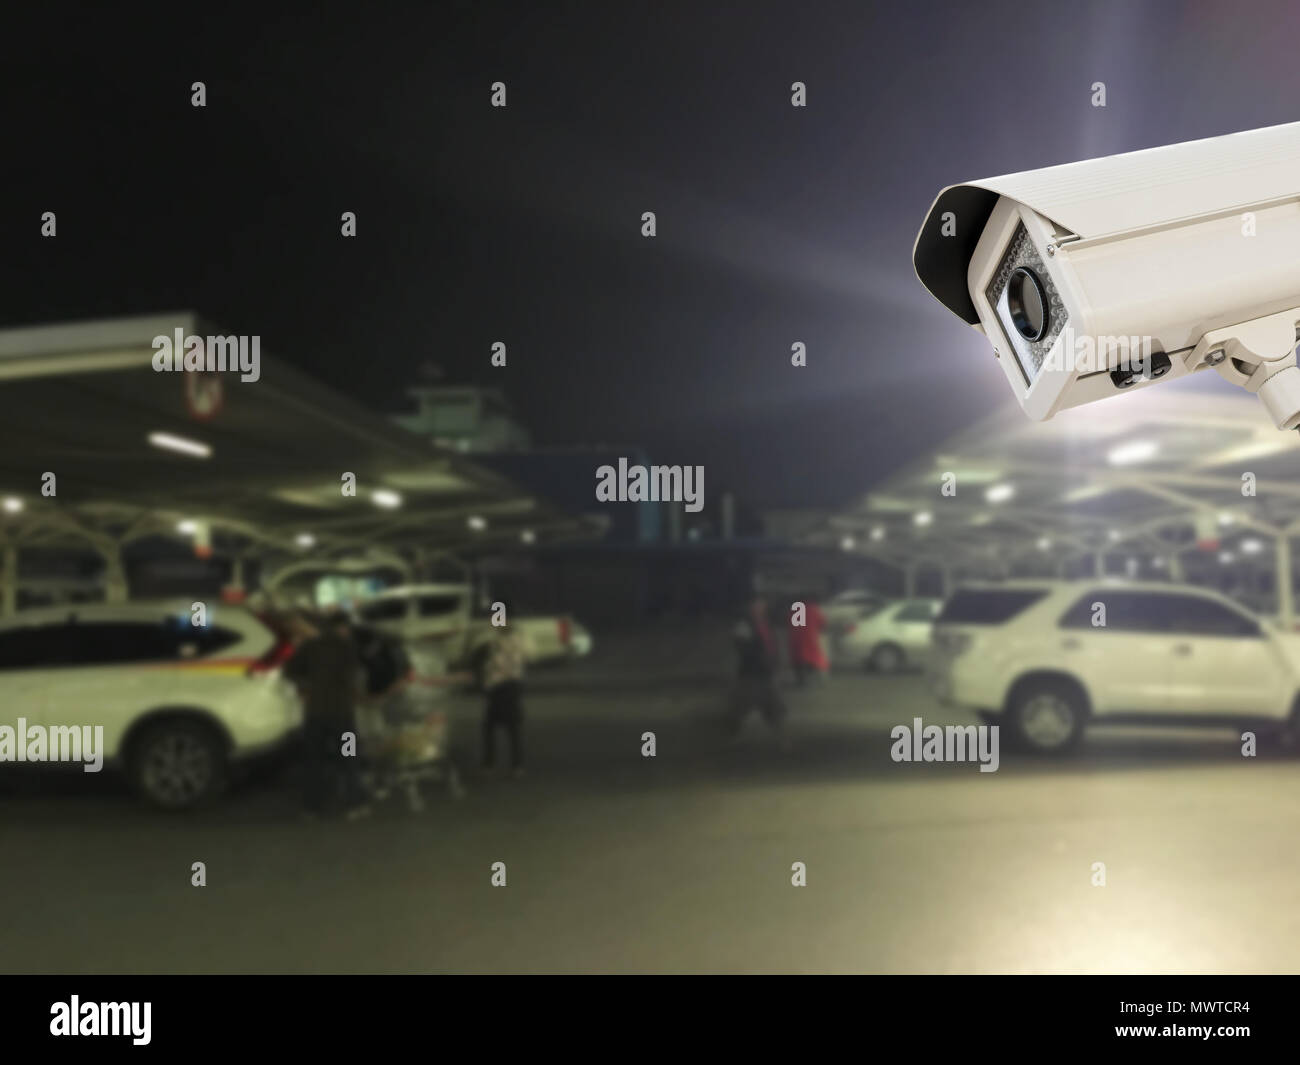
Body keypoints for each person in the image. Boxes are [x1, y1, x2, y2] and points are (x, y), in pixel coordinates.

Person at [283, 609, 369, 819]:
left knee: (315, 760)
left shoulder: (309, 647)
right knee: (349, 757)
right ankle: (354, 805)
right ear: (340, 627)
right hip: (343, 716)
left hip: (316, 715)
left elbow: (289, 671)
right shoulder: (347, 647)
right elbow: (356, 676)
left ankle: (312, 807)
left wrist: (305, 687)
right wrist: (359, 695)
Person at [725, 593, 789, 745]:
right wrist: (760, 658)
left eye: (762, 604)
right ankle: (730, 739)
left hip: (766, 673)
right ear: (750, 607)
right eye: (756, 605)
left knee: (774, 708)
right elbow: (741, 647)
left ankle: (782, 740)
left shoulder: (767, 624)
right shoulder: (744, 625)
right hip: (750, 674)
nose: (759, 608)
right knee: (740, 710)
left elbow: (773, 645)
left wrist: (776, 663)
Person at [788, 592, 829, 687]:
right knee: (811, 658)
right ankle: (811, 678)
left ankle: (801, 680)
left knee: (799, 658)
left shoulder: (795, 609)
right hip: (809, 638)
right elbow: (822, 623)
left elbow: (791, 624)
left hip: (796, 638)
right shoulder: (813, 609)